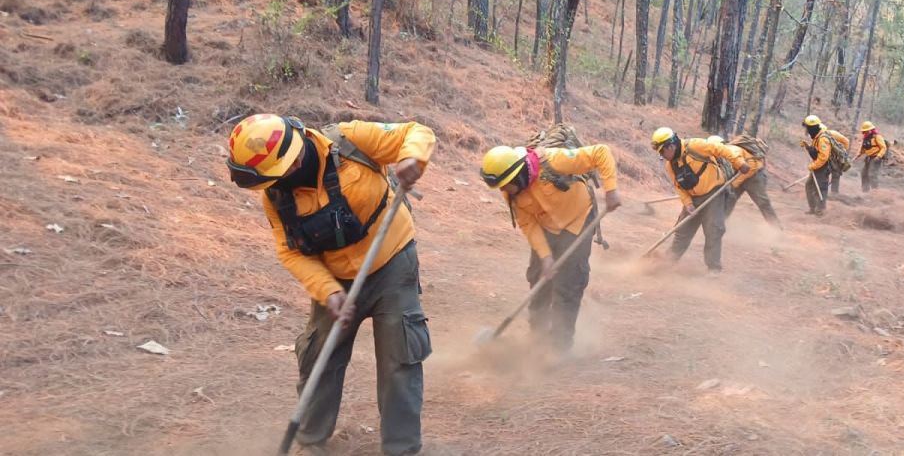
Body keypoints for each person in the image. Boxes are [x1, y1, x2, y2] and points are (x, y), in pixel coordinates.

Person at [226, 114, 435, 456]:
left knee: (400, 353)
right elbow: (290, 252)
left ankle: (402, 448)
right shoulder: (276, 197)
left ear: (292, 161)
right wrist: (328, 290)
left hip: (391, 263)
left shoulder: (349, 141)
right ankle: (311, 441)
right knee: (319, 354)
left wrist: (412, 158)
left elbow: (416, 132)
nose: (269, 186)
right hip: (334, 277)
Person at [479, 143, 621, 352]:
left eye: (504, 185)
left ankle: (559, 347)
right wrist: (545, 257)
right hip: (546, 226)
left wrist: (611, 189)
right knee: (538, 278)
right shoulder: (511, 192)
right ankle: (537, 336)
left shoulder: (553, 161)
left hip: (578, 221)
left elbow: (601, 152)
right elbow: (528, 224)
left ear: (517, 176)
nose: (502, 190)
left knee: (568, 284)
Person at [651, 127, 749, 273]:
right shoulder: (670, 165)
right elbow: (679, 187)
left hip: (713, 194)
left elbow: (721, 149)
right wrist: (688, 204)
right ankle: (668, 263)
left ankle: (713, 268)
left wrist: (739, 163)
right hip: (693, 199)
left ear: (670, 146)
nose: (662, 155)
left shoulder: (695, 146)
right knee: (682, 231)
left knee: (713, 230)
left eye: (662, 151)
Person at [707, 135, 780, 229]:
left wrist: (733, 184)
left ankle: (776, 229)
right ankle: (719, 225)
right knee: (730, 199)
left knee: (763, 202)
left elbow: (751, 166)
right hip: (739, 176)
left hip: (754, 176)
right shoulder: (721, 154)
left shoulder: (733, 150)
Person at [801, 115, 842, 216]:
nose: (806, 130)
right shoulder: (817, 137)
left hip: (822, 167)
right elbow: (816, 152)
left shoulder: (823, 138)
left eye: (807, 127)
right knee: (809, 186)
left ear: (812, 128)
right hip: (818, 166)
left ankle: (820, 211)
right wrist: (808, 147)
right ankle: (813, 208)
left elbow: (823, 157)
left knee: (821, 188)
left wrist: (813, 166)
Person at [857, 121, 889, 192]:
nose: (865, 132)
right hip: (868, 158)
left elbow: (883, 147)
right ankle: (865, 191)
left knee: (872, 174)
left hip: (876, 158)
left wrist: (879, 156)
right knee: (864, 174)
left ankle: (875, 192)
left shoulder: (877, 137)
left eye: (867, 131)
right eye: (864, 131)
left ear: (871, 130)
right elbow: (863, 148)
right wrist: (859, 154)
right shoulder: (865, 138)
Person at [824, 126, 851, 194]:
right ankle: (823, 191)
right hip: (830, 155)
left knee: (836, 174)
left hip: (838, 156)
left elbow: (846, 141)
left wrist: (842, 152)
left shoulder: (834, 134)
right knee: (825, 171)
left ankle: (834, 193)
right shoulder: (822, 138)